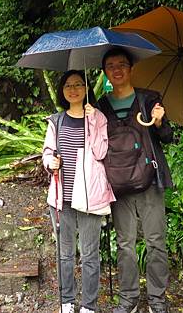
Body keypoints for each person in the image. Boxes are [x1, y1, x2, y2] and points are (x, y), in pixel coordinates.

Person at [97, 47, 174, 313]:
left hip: (150, 181)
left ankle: (157, 300)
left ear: (131, 69)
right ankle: (128, 298)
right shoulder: (99, 106)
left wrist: (160, 122)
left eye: (121, 64)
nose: (116, 70)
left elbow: (166, 137)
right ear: (105, 72)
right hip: (117, 183)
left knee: (155, 241)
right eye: (110, 66)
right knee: (125, 244)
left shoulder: (149, 99)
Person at [43, 69, 116, 313]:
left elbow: (100, 152)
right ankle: (67, 301)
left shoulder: (98, 117)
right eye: (67, 85)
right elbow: (47, 151)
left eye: (78, 84)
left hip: (90, 197)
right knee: (65, 254)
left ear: (86, 89)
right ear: (62, 92)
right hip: (62, 198)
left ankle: (88, 306)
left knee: (89, 255)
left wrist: (94, 119)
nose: (73, 89)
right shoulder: (56, 121)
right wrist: (49, 162)